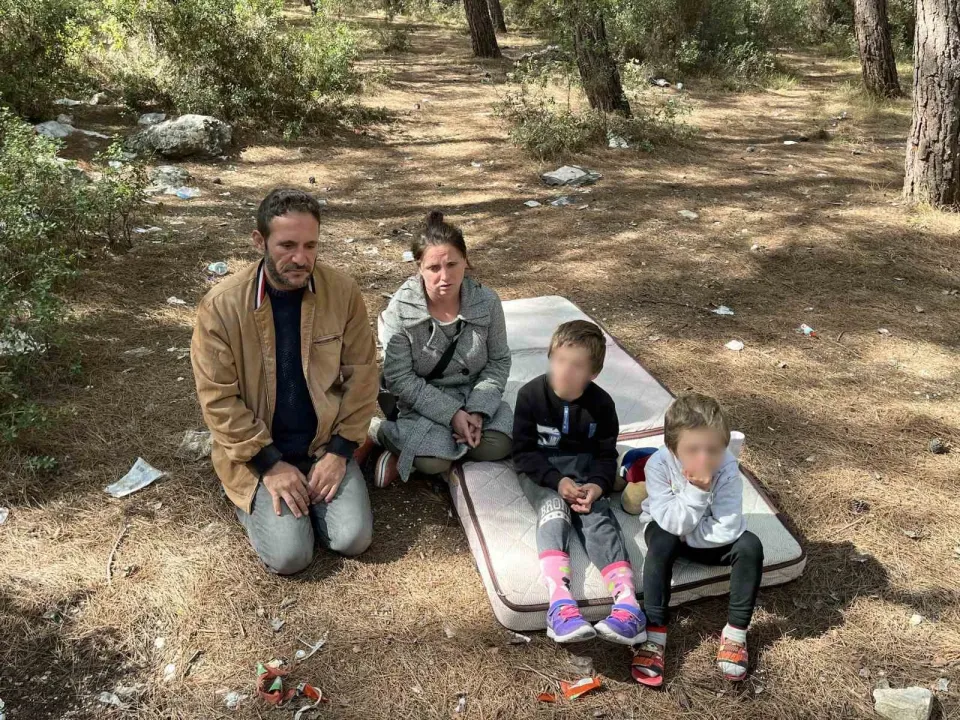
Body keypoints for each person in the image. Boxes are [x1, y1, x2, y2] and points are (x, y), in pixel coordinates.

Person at [191, 188, 378, 576]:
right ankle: (257, 499)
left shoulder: (342, 292)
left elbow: (362, 375)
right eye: (287, 245)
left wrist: (340, 451)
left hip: (322, 445)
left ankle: (314, 492)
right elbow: (217, 400)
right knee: (291, 557)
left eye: (310, 245)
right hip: (260, 451)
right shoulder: (222, 306)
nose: (301, 258)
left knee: (352, 539)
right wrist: (270, 465)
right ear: (259, 241)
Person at [512, 320, 646, 646]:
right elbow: (523, 452)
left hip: (586, 475)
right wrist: (556, 481)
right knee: (553, 511)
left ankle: (627, 603)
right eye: (559, 360)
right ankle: (560, 602)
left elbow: (606, 455)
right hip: (543, 475)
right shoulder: (530, 396)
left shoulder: (603, 406)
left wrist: (598, 486)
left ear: (593, 373)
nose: (565, 371)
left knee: (598, 515)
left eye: (576, 365)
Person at [632, 393, 764, 686]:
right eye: (692, 450)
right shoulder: (657, 465)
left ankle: (736, 633)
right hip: (666, 531)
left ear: (724, 446)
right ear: (672, 448)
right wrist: (697, 492)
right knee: (663, 541)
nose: (704, 459)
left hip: (703, 537)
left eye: (713, 450)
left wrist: (688, 534)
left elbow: (728, 528)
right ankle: (654, 635)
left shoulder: (727, 467)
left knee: (750, 546)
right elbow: (669, 523)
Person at [373, 211, 513, 487]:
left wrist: (477, 411)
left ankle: (421, 449)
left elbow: (498, 361)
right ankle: (381, 433)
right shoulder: (401, 310)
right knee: (433, 461)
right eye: (434, 268)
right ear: (419, 268)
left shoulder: (487, 302)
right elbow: (399, 378)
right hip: (422, 401)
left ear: (466, 261)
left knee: (498, 444)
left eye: (452, 264)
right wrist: (451, 414)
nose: (445, 277)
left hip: (471, 394)